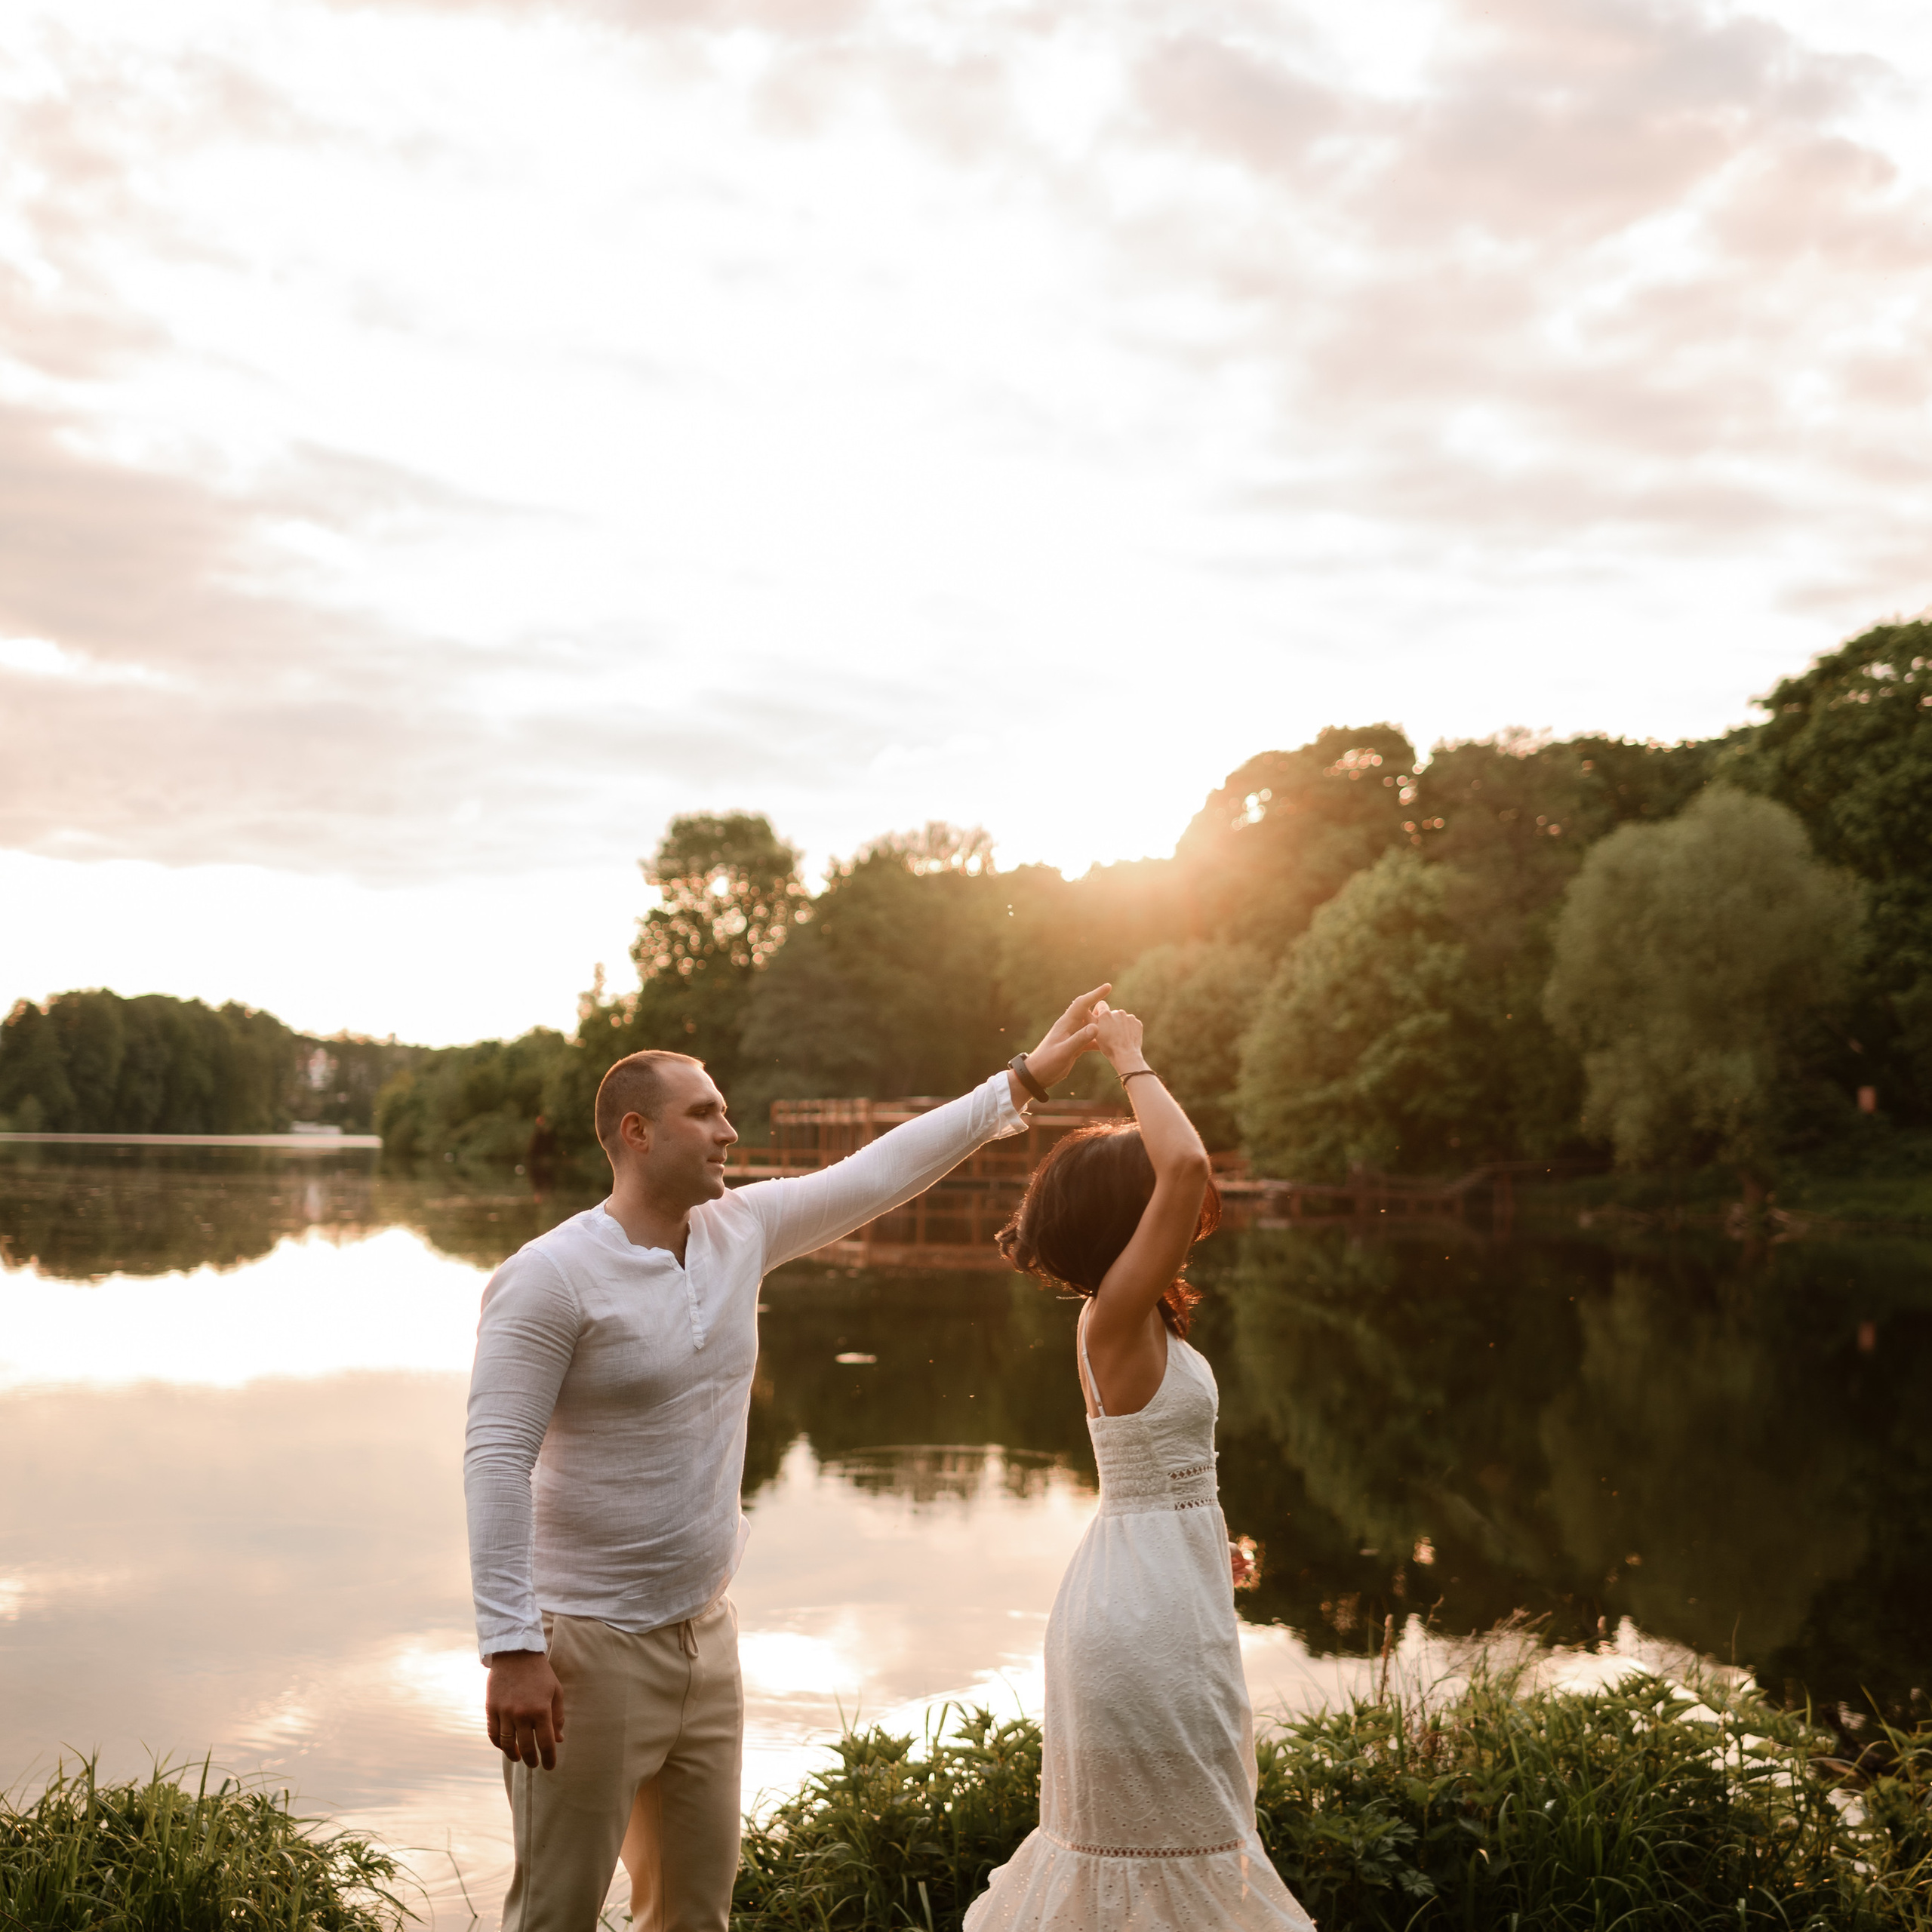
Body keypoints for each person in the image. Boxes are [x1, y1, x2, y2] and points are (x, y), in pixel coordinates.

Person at [463, 986, 1111, 1932]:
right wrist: (512, 1645)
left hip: (705, 1641)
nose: (730, 1129)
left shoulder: (741, 1231)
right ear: (637, 1132)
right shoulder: (549, 1275)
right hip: (585, 1652)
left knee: (695, 1918)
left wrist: (1025, 1078)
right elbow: (494, 1459)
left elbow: (885, 1169)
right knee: (553, 1917)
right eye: (706, 1113)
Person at [964, 1001, 1315, 1932]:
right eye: (1160, 1196)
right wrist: (1128, 1056)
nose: (1189, 1203)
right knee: (1178, 1857)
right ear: (1134, 1214)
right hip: (1138, 1622)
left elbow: (1165, 1465)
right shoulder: (1111, 1313)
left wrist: (1209, 1538)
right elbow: (1190, 1163)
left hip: (1165, 1588)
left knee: (1195, 1844)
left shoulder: (1140, 1316)